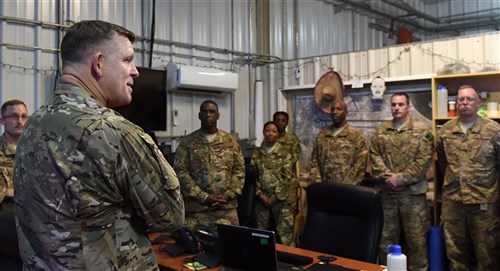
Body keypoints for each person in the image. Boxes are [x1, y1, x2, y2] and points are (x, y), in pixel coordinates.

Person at [13, 20, 185, 271]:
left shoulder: (33, 125)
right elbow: (171, 215)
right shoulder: (113, 133)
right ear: (99, 63)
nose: (135, 71)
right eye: (127, 60)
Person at [437, 85, 500, 271]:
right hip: (453, 201)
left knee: (487, 252)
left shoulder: (493, 130)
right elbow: (443, 163)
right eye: (460, 100)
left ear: (478, 103)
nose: (464, 103)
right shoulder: (446, 131)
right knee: (455, 252)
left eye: (469, 99)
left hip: (484, 202)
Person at [368, 92, 433, 271]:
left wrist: (400, 179)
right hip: (386, 196)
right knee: (385, 242)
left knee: (417, 242)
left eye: (401, 104)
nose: (396, 108)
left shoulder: (422, 131)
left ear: (408, 106)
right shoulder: (381, 131)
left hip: (412, 198)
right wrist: (388, 178)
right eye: (394, 104)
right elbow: (374, 157)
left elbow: (423, 162)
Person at [174, 100, 245, 234]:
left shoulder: (230, 142)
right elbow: (180, 173)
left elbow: (239, 171)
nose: (208, 115)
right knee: (196, 250)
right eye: (205, 112)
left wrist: (228, 195)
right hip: (198, 210)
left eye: (212, 112)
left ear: (218, 115)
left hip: (226, 209)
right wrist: (203, 197)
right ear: (199, 115)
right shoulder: (187, 143)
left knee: (232, 248)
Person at [251, 121, 298, 246]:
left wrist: (273, 198)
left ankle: (290, 262)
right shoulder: (256, 154)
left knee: (285, 236)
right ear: (263, 132)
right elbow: (253, 177)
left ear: (278, 134)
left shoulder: (284, 153)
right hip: (261, 200)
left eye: (273, 131)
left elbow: (287, 177)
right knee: (261, 236)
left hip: (281, 200)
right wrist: (260, 195)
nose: (270, 133)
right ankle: (262, 258)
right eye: (267, 130)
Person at [310, 100, 368, 184]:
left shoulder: (356, 135)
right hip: (325, 187)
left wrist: (347, 185)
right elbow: (314, 161)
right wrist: (318, 182)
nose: (335, 112)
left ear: (346, 112)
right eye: (332, 109)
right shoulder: (322, 135)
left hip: (347, 188)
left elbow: (361, 163)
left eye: (339, 109)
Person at [0, 99, 28, 212]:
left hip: (34, 218)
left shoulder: (37, 151)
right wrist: (5, 192)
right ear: (2, 121)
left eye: (24, 116)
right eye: (14, 116)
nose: (20, 121)